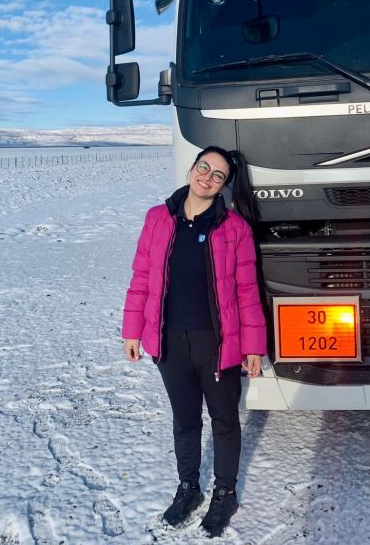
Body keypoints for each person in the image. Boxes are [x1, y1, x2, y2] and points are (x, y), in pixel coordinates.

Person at [122, 145, 267, 537]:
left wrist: (253, 346)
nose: (207, 176)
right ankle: (188, 488)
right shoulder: (158, 218)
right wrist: (133, 330)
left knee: (223, 420)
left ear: (223, 186)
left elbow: (248, 291)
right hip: (169, 341)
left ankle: (225, 493)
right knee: (185, 420)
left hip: (217, 343)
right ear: (192, 168)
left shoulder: (234, 228)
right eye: (204, 167)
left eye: (218, 175)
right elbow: (141, 278)